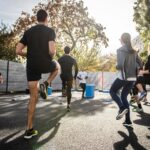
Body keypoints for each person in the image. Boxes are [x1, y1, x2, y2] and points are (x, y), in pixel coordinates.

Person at [16, 9, 59, 139]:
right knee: (57, 67)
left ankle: (29, 129)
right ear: (46, 18)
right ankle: (46, 83)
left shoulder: (28, 32)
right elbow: (51, 51)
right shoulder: (50, 31)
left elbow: (18, 50)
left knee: (33, 98)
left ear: (37, 18)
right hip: (45, 63)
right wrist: (53, 53)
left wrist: (29, 54)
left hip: (32, 66)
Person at [110, 33, 141, 127]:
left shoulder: (120, 50)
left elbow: (119, 65)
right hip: (133, 78)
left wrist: (116, 66)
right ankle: (128, 121)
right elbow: (140, 64)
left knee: (112, 91)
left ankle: (122, 108)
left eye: (120, 39)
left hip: (124, 77)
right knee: (123, 96)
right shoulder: (134, 51)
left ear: (122, 40)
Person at [58, 46, 78, 111]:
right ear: (70, 51)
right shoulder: (72, 59)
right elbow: (76, 69)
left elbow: (57, 67)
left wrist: (60, 74)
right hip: (69, 76)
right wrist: (75, 76)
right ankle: (68, 105)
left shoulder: (60, 59)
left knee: (64, 84)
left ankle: (63, 88)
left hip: (63, 75)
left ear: (64, 51)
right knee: (69, 90)